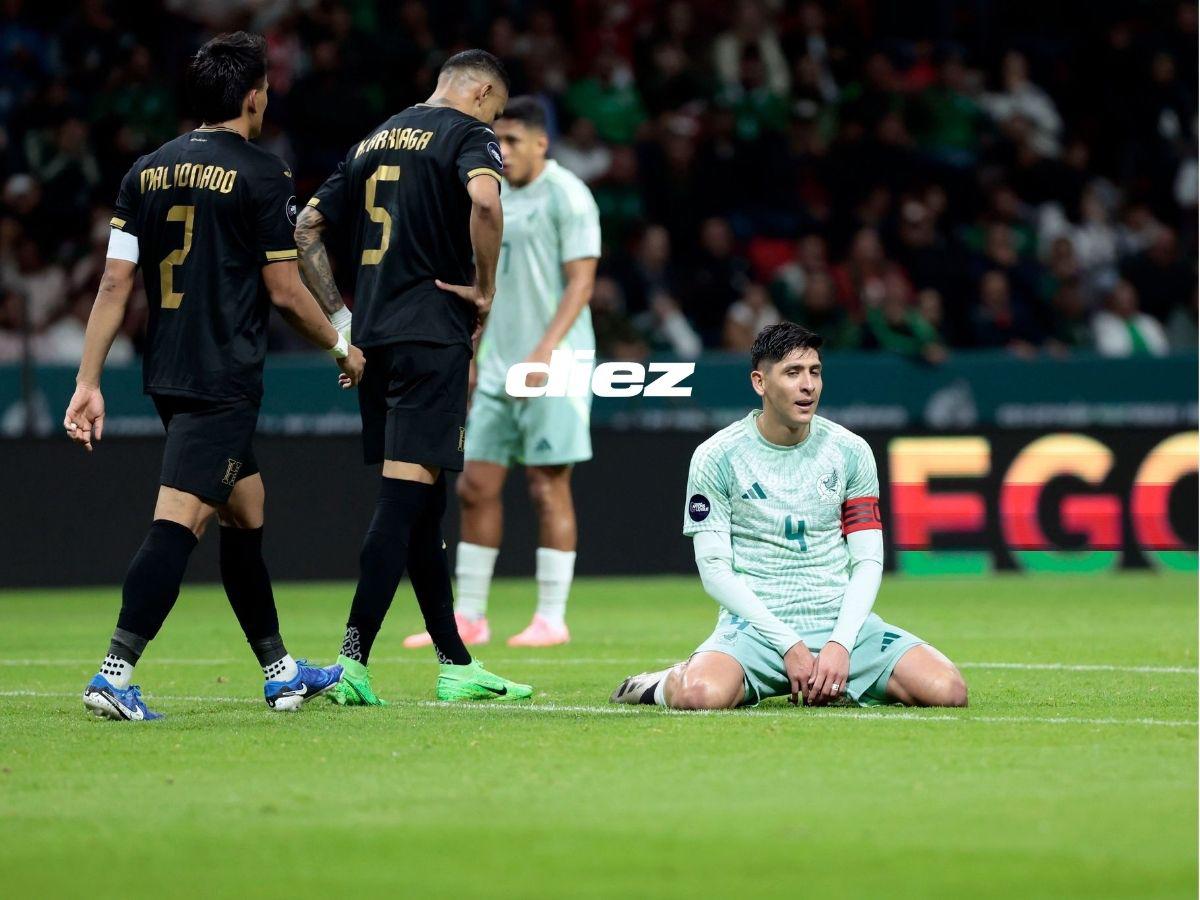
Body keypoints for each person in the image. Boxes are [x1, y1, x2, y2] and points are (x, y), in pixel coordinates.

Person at [64, 32, 362, 721]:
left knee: (245, 508)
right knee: (180, 522)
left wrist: (88, 380)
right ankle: (114, 672)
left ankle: (281, 671)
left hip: (168, 370)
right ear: (254, 95)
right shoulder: (265, 173)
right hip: (223, 376)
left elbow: (114, 282)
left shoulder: (145, 171)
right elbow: (286, 292)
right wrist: (340, 346)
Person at [294, 50, 532, 705]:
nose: (496, 121)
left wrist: (342, 322)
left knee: (423, 507)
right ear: (481, 91)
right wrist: (484, 291)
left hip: (373, 342)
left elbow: (307, 226)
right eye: (497, 109)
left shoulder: (373, 139)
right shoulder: (468, 134)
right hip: (432, 336)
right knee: (403, 501)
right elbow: (485, 204)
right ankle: (351, 659)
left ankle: (454, 663)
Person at [611, 322, 968, 710]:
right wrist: (788, 645)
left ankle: (831, 678)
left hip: (840, 624)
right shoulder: (717, 456)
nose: (808, 385)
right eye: (793, 373)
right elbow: (714, 569)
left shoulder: (851, 451)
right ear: (759, 383)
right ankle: (656, 683)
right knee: (699, 695)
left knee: (948, 690)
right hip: (755, 630)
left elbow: (867, 560)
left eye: (815, 372)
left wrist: (840, 643)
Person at [401, 96, 600, 649]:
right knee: (476, 487)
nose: (502, 150)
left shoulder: (568, 195)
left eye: (512, 141)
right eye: (498, 140)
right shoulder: (486, 196)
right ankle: (469, 617)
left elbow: (582, 285)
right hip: (495, 366)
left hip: (555, 364)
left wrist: (544, 352)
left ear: (541, 143)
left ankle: (551, 618)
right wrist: (474, 354)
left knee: (546, 486)